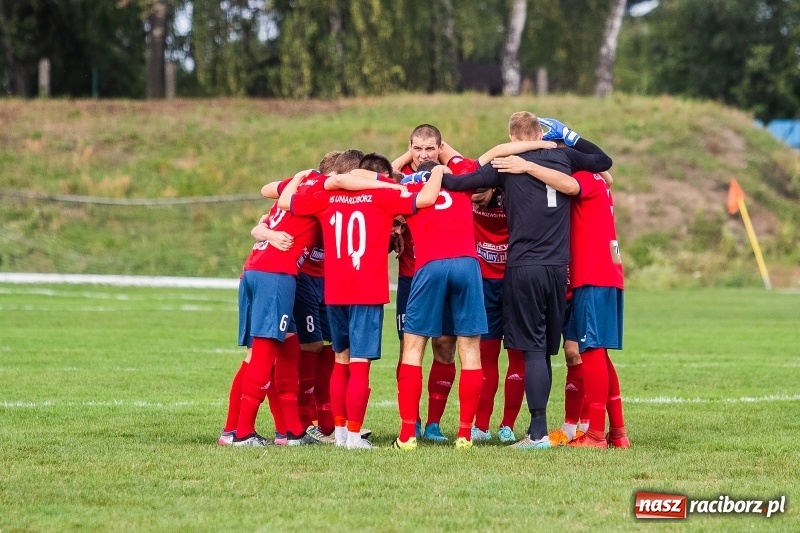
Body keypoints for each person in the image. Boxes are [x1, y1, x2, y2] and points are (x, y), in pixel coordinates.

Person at [442, 112, 612, 449]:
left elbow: (463, 182)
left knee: (533, 352)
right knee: (545, 354)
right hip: (558, 270)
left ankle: (537, 435)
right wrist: (569, 135)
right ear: (539, 132)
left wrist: (432, 176)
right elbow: (603, 160)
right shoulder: (564, 155)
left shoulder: (508, 164)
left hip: (524, 267)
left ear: (513, 138)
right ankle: (542, 430)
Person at [281, 153, 445, 449]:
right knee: (360, 364)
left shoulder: (325, 196)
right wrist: (437, 172)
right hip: (366, 290)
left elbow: (285, 202)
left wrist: (299, 179)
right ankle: (355, 436)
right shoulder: (383, 197)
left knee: (340, 360)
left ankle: (341, 434)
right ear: (375, 175)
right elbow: (427, 199)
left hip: (334, 289)